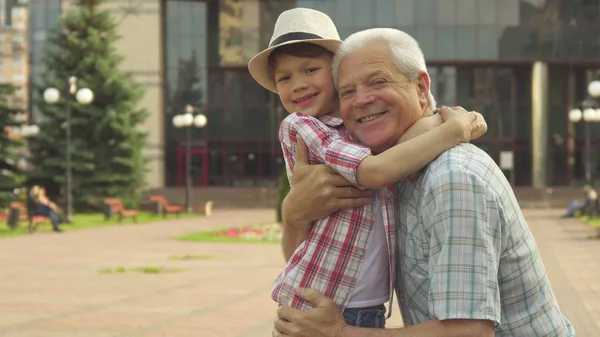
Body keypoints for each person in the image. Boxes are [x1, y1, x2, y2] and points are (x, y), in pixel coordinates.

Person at [273, 28, 575, 337]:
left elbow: (468, 332)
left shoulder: (453, 179)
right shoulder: (393, 169)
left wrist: (340, 333)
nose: (362, 100)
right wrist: (295, 216)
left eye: (378, 82)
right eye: (347, 92)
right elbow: (320, 256)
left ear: (421, 87)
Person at [249, 8, 487, 329]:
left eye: (310, 70)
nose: (298, 85)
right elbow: (374, 172)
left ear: (335, 75)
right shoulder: (304, 126)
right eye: (285, 78)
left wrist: (458, 119)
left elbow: (403, 142)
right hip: (329, 305)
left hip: (358, 303)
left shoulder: (353, 128)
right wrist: (452, 130)